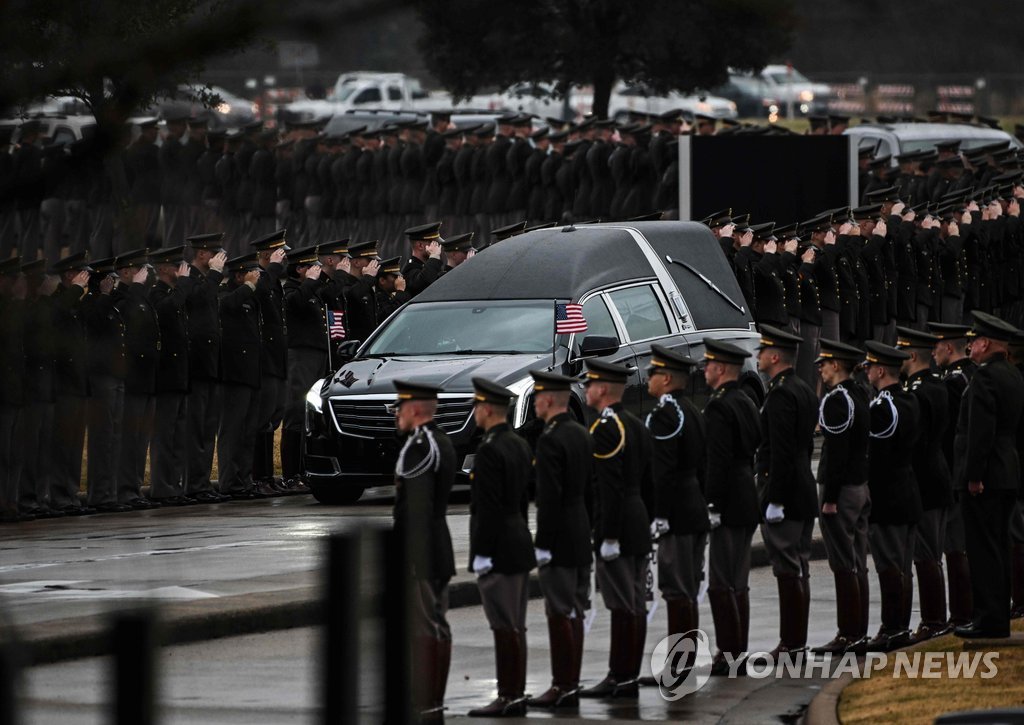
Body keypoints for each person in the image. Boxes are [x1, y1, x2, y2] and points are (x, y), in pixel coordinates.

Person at [579, 359, 652, 699]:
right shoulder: (636, 424)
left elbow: (608, 489)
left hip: (619, 526)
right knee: (634, 602)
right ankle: (628, 674)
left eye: (590, 384)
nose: (585, 389)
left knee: (622, 604)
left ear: (603, 390)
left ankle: (620, 675)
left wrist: (607, 536)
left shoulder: (606, 428)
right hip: (637, 521)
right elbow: (648, 482)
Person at [953, 311, 1024, 639]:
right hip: (1007, 470)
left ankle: (987, 619)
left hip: (987, 476)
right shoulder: (1012, 374)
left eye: (975, 341)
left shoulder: (984, 378)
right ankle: (996, 616)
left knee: (983, 550)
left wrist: (973, 475)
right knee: (999, 547)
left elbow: (981, 431)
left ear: (985, 343)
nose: (970, 347)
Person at [467, 378, 535, 718]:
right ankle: (515, 692)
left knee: (504, 624)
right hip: (518, 539)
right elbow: (523, 498)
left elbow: (487, 508)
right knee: (516, 624)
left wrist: (481, 552)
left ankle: (509, 695)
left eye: (477, 406)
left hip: (499, 548)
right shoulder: (519, 444)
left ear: (488, 409)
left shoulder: (490, 450)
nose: (474, 412)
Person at [525, 370, 593, 710]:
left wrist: (543, 545)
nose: (535, 404)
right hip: (580, 531)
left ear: (550, 399)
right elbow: (591, 488)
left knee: (559, 612)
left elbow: (549, 499)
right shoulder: (582, 433)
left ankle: (562, 684)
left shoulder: (550, 439)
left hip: (560, 536)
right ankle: (572, 682)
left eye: (537, 397)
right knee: (576, 610)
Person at [391, 379, 457, 723]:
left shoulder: (420, 446)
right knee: (436, 624)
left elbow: (414, 509)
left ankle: (427, 703)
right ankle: (432, 701)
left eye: (400, 408)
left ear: (415, 409)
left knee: (425, 627)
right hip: (438, 546)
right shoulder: (440, 440)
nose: (396, 415)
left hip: (421, 551)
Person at [642, 344, 708, 681]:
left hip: (677, 514)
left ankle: (679, 664)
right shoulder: (692, 410)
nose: (649, 379)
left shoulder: (665, 414)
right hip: (694, 507)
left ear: (666, 379)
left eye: (653, 373)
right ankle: (686, 659)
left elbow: (663, 472)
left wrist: (660, 515)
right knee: (688, 589)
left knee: (676, 590)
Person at [755, 325, 818, 656]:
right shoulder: (803, 388)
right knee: (799, 567)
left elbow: (780, 451)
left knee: (788, 569)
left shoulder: (780, 394)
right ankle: (797, 641)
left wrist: (774, 498)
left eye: (763, 351)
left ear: (775, 357)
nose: (759, 356)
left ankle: (792, 642)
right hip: (802, 488)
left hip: (787, 494)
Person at [701, 339, 761, 675]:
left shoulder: (719, 407)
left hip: (727, 499)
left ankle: (728, 654)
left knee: (721, 582)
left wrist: (712, 503)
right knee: (738, 581)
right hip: (746, 493)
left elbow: (718, 462)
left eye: (709, 365)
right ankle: (738, 650)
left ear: (721, 369)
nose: (705, 370)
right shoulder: (747, 401)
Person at [811, 340, 871, 654]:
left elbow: (836, 453)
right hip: (860, 485)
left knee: (844, 563)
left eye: (824, 363)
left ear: (836, 365)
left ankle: (849, 633)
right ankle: (859, 630)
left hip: (842, 490)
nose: (820, 368)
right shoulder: (860, 393)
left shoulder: (836, 400)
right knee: (857, 561)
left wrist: (830, 498)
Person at [862, 341, 921, 651]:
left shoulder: (882, 407)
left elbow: (877, 457)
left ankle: (893, 627)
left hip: (887, 496)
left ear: (881, 370)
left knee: (889, 565)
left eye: (870, 366)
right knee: (903, 565)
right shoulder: (910, 399)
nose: (867, 371)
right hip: (908, 489)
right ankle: (899, 626)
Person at [896, 326, 953, 641]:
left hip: (924, 479)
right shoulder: (937, 385)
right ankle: (937, 618)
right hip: (938, 473)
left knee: (926, 554)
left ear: (911, 355)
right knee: (932, 552)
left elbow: (914, 441)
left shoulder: (917, 392)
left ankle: (933, 620)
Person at [928, 322, 976, 627]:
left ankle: (961, 612)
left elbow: (950, 434)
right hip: (972, 471)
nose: (933, 353)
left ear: (948, 348)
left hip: (956, 473)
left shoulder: (953, 383)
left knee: (956, 548)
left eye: (936, 347)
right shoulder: (974, 374)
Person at [180, 233, 231, 502]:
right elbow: (197, 301)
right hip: (196, 364)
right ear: (202, 254)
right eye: (214, 253)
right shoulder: (189, 277)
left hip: (211, 364)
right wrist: (213, 275)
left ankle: (201, 482)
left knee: (208, 427)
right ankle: (193, 483)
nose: (219, 259)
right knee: (196, 429)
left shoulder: (206, 280)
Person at [113, 249, 162, 510]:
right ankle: (125, 489)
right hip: (132, 380)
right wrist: (137, 289)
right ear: (125, 272)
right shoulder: (122, 299)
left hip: (147, 380)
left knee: (141, 440)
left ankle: (134, 487)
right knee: (129, 439)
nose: (145, 273)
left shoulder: (141, 297)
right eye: (139, 269)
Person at [49, 251, 96, 515]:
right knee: (63, 444)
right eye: (81, 273)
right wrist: (75, 290)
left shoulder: (76, 303)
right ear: (69, 275)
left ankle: (70, 493)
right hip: (64, 385)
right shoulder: (58, 301)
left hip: (78, 384)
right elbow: (56, 316)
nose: (85, 278)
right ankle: (59, 495)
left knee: (76, 445)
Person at [147, 247, 193, 505]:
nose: (182, 270)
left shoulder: (175, 294)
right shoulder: (156, 294)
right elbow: (166, 311)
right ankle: (162, 487)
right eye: (177, 266)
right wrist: (183, 285)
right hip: (166, 377)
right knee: (164, 436)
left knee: (178, 437)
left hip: (179, 376)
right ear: (163, 269)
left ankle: (175, 485)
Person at [217, 253, 264, 499]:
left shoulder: (251, 299)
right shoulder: (226, 294)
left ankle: (244, 480)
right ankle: (229, 482)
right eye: (251, 273)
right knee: (233, 430)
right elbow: (226, 306)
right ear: (239, 276)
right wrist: (247, 287)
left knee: (248, 431)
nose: (256, 278)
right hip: (235, 374)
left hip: (251, 373)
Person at [282, 245, 329, 491]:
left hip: (316, 356)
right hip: (301, 356)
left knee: (311, 414)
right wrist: (309, 282)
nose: (317, 270)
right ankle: (291, 474)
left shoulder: (311, 290)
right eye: (311, 266)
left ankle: (305, 470)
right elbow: (296, 303)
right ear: (300, 269)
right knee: (296, 413)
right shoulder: (292, 290)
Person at [250, 229, 290, 495]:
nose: (283, 259)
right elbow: (259, 293)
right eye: (278, 254)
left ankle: (267, 476)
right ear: (266, 255)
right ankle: (259, 477)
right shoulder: (261, 277)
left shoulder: (274, 281)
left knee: (274, 417)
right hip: (264, 360)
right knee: (262, 420)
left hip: (277, 359)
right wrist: (272, 268)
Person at [401, 221, 444, 297]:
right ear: (420, 245)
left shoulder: (430, 265)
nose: (438, 247)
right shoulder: (410, 269)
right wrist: (434, 256)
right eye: (434, 243)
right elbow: (425, 282)